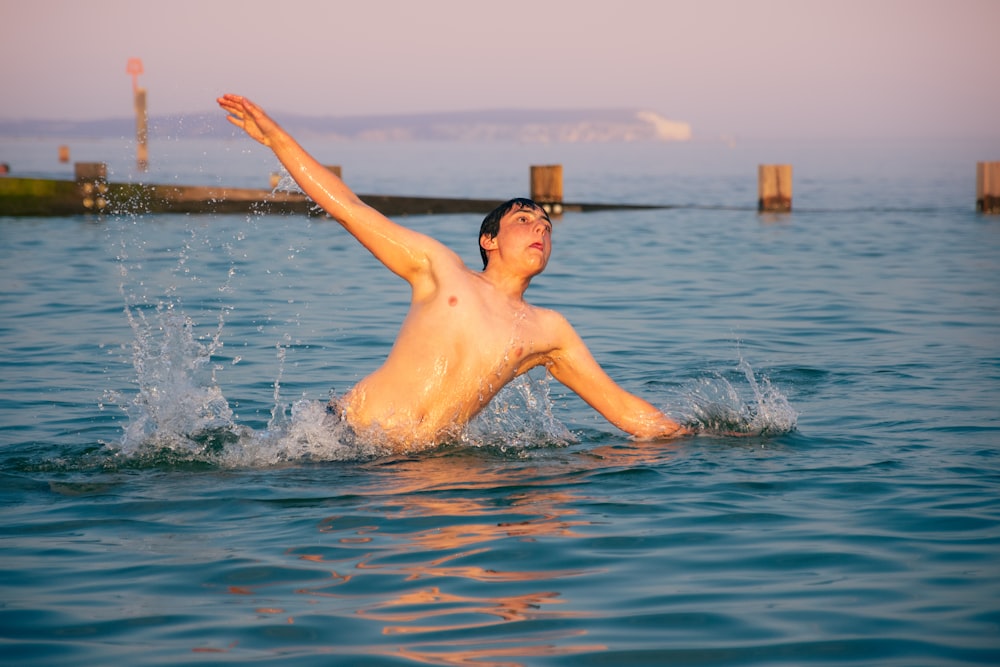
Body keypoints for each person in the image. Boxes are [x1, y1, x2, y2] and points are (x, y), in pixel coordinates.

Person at [218, 94, 692, 448]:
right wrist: (277, 140)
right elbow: (350, 209)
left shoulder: (549, 330)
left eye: (546, 225)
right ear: (489, 240)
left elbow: (625, 411)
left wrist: (702, 442)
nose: (540, 231)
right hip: (339, 440)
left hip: (419, 464)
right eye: (523, 221)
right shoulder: (441, 269)